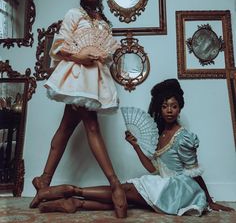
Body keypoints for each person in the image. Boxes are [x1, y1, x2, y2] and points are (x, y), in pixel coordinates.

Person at [29, 79, 234, 215]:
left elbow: (194, 173)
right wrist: (135, 146)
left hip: (178, 189)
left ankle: (69, 190)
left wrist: (209, 200)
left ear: (180, 107)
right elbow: (153, 169)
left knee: (125, 189)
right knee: (128, 198)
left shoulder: (185, 137)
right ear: (159, 109)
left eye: (173, 105)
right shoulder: (161, 135)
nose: (169, 110)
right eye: (164, 106)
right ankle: (73, 203)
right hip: (162, 182)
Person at [30, 0, 127, 218]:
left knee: (65, 128)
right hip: (76, 79)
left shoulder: (104, 23)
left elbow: (106, 54)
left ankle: (43, 182)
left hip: (92, 81)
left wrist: (101, 56)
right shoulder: (74, 14)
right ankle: (115, 184)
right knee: (92, 127)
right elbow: (58, 48)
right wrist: (79, 56)